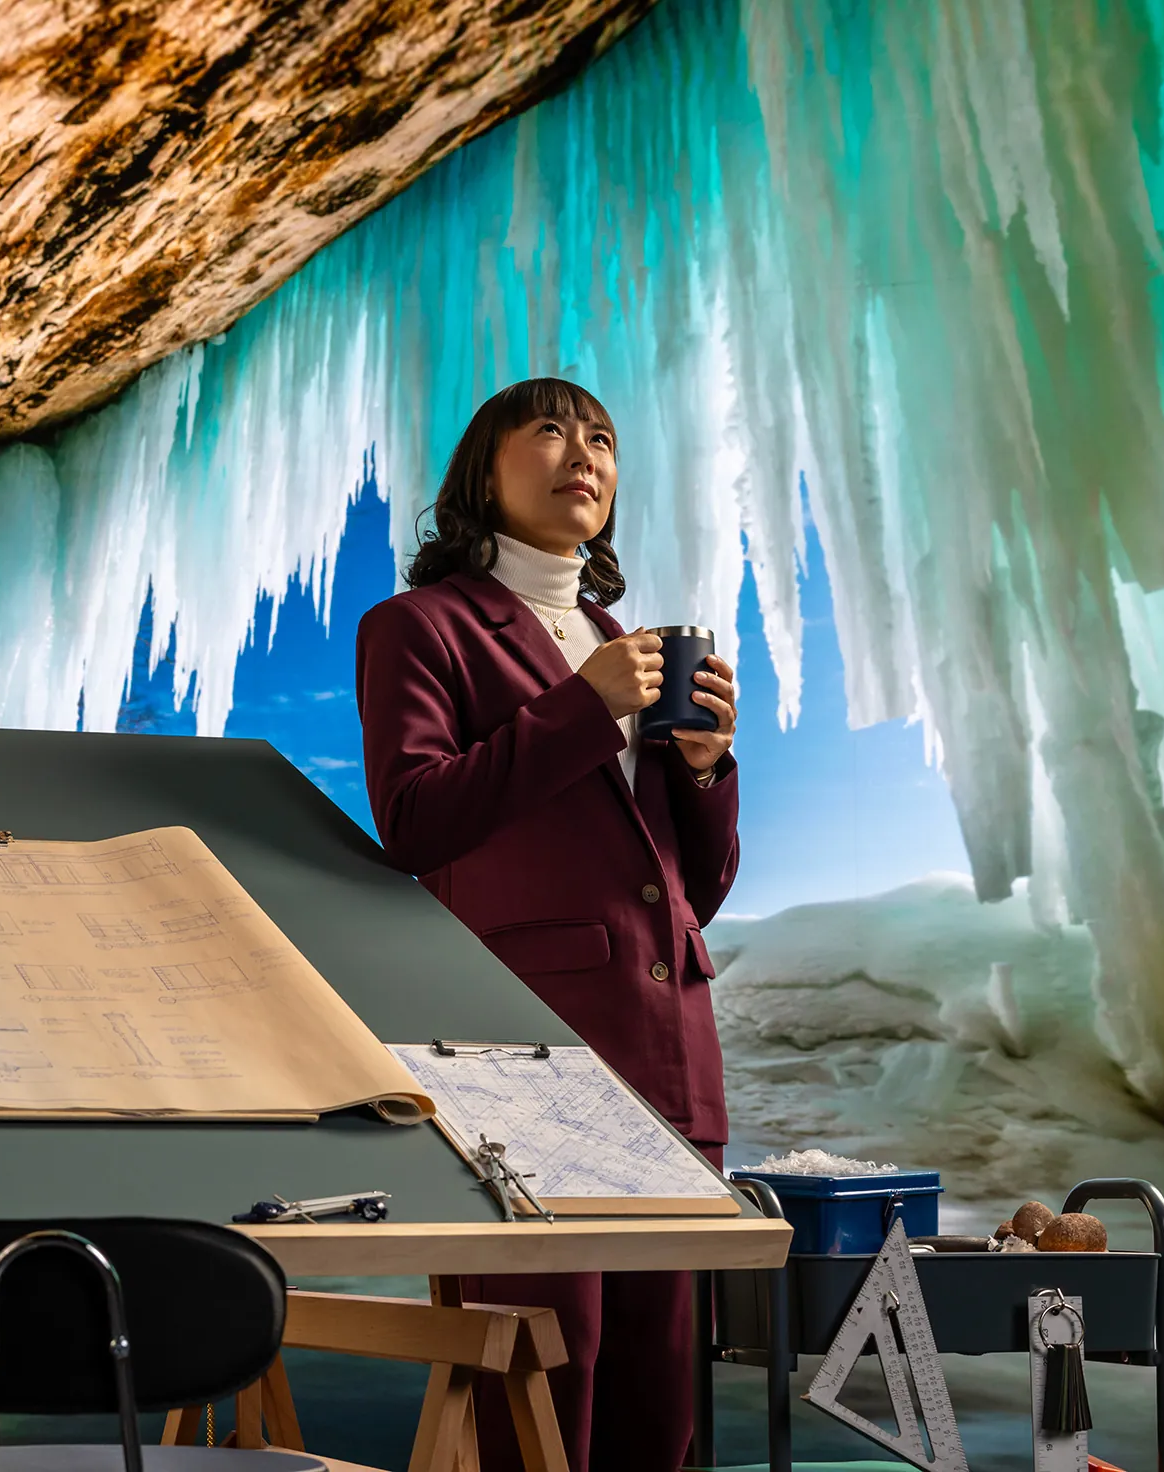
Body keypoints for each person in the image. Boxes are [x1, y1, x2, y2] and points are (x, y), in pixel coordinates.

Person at [354, 378, 739, 1472]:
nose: (585, 452)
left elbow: (685, 891)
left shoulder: (631, 645)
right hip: (520, 1056)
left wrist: (708, 771)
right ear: (484, 473)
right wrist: (586, 703)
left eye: (605, 438)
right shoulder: (417, 627)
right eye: (553, 429)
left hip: (673, 1063)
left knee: (658, 1413)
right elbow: (416, 816)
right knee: (536, 1398)